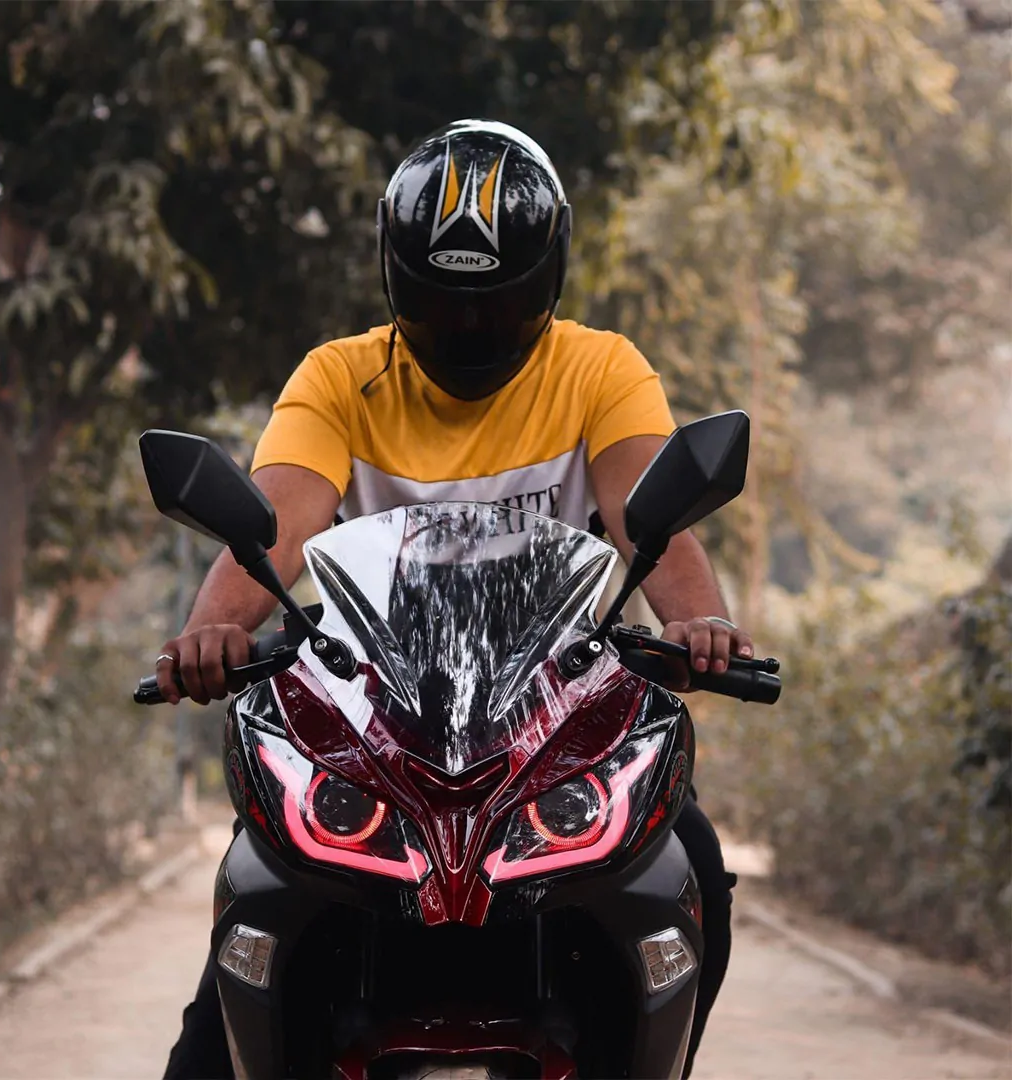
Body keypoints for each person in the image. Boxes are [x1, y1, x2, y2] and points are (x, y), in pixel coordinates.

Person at [159, 119, 746, 1080]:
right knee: (256, 912)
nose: (470, 326)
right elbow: (271, 530)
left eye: (499, 301)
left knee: (692, 870)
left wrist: (698, 624)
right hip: (371, 725)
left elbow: (654, 520)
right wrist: (210, 633)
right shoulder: (338, 377)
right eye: (442, 302)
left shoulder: (601, 368)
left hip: (558, 720)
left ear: (549, 277)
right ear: (395, 276)